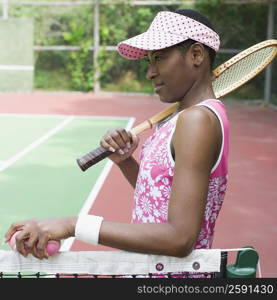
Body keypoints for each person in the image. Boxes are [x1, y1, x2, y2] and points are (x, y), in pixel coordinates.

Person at [5, 9, 229, 278]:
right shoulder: (182, 118)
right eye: (149, 61)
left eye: (159, 58)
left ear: (196, 55)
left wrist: (74, 225)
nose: (150, 72)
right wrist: (126, 163)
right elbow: (160, 199)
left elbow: (179, 238)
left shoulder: (196, 121)